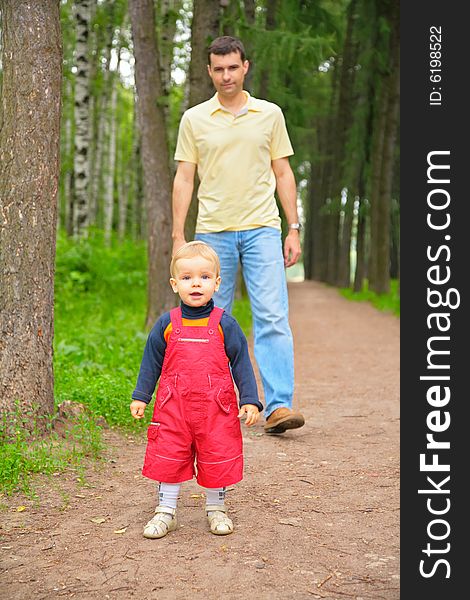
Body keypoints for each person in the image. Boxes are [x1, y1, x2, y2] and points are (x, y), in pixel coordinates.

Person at [171, 36, 305, 434]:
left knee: (273, 317)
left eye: (233, 67)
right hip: (213, 232)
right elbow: (184, 177)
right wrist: (179, 236)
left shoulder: (270, 115)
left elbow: (283, 173)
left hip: (263, 228)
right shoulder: (194, 119)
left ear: (245, 66)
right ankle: (213, 405)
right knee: (209, 319)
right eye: (218, 68)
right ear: (209, 71)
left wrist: (293, 226)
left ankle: (278, 406)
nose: (226, 75)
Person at [130, 241, 262, 539]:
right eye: (187, 278)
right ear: (175, 284)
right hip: (173, 406)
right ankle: (166, 511)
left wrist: (250, 400)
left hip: (216, 407)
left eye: (204, 277)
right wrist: (141, 396)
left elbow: (241, 361)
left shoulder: (224, 324)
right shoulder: (166, 323)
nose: (196, 284)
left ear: (217, 282)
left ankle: (216, 509)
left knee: (216, 454)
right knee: (168, 455)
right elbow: (150, 361)